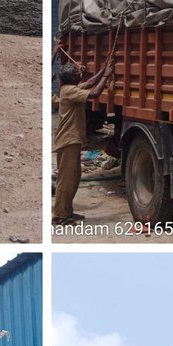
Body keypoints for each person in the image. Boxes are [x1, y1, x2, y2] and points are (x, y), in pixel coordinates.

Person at [52, 47, 118, 225]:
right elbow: (95, 92)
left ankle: (67, 212)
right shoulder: (70, 92)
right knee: (66, 180)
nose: (80, 72)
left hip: (71, 140)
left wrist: (104, 69)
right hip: (68, 141)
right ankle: (59, 216)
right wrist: (106, 76)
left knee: (73, 178)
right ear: (73, 78)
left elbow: (89, 84)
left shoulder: (69, 88)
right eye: (77, 73)